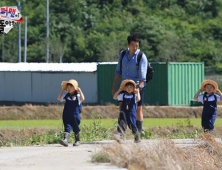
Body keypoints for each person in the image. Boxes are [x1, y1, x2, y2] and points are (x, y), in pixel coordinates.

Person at [111, 33, 148, 135]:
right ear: (128, 44)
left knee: (138, 109)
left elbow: (142, 77)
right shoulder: (123, 54)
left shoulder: (141, 56)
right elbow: (118, 71)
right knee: (122, 108)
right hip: (124, 86)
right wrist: (114, 85)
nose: (135, 48)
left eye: (137, 45)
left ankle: (138, 133)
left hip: (136, 86)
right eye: (133, 45)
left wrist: (138, 89)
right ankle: (120, 133)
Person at [57, 79, 85, 147]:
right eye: (68, 87)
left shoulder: (77, 96)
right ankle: (65, 140)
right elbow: (59, 98)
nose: (69, 88)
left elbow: (82, 98)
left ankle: (77, 140)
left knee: (76, 127)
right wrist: (62, 90)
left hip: (75, 115)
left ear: (75, 88)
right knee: (67, 126)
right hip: (66, 114)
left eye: (71, 87)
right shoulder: (66, 95)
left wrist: (80, 91)